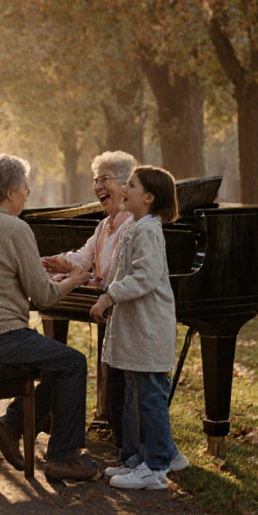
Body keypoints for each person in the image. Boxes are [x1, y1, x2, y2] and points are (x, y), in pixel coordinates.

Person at [0, 154, 101, 482]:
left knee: (55, 364)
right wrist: (75, 279)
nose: (26, 195)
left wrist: (44, 281)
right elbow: (44, 297)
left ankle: (11, 425)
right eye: (25, 190)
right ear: (10, 193)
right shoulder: (15, 228)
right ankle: (63, 456)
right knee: (73, 363)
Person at [90, 166, 188, 490]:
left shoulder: (147, 231)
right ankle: (141, 458)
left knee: (149, 398)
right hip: (136, 332)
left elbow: (144, 278)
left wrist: (108, 297)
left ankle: (157, 469)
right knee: (136, 394)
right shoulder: (135, 226)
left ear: (148, 197)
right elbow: (120, 271)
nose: (124, 190)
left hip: (148, 330)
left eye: (130, 185)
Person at [41, 151, 136, 453]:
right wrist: (58, 263)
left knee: (125, 385)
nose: (97, 187)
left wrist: (87, 278)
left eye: (104, 179)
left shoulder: (133, 226)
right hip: (108, 303)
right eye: (95, 180)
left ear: (125, 185)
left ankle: (131, 449)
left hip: (126, 312)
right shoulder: (103, 226)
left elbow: (117, 274)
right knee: (115, 382)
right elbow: (83, 257)